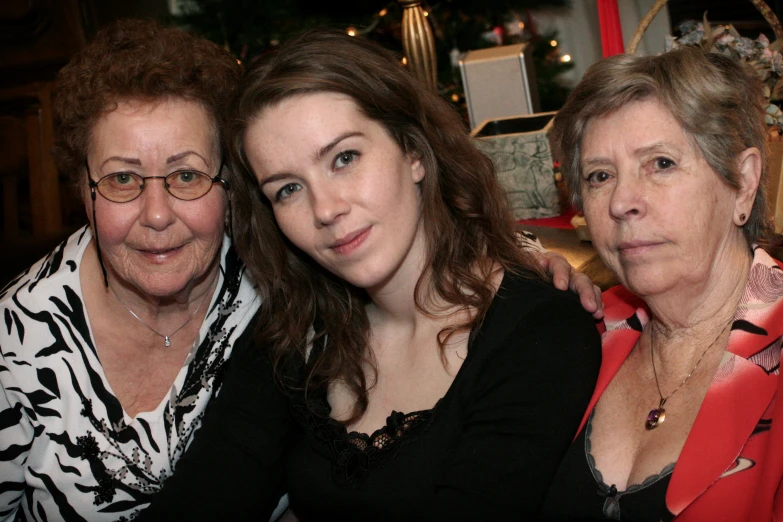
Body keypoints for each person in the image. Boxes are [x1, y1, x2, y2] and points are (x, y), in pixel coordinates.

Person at [0, 18, 599, 522]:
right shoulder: (296, 329)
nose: (326, 210)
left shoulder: (536, 330)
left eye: (344, 158)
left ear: (414, 150)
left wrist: (522, 254)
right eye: (287, 188)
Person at [0, 19, 284, 521]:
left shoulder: (282, 289)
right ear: (81, 190)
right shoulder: (14, 341)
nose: (156, 214)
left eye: (187, 174)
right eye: (122, 177)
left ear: (229, 183)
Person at [541, 46, 783, 521]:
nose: (622, 202)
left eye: (661, 164)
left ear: (743, 182)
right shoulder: (579, 331)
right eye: (600, 175)